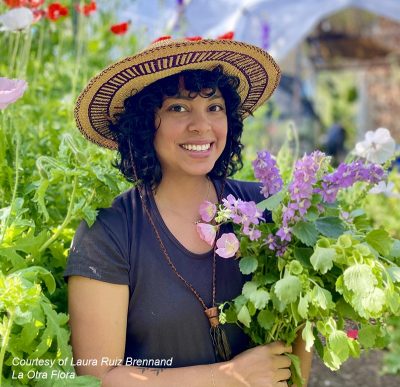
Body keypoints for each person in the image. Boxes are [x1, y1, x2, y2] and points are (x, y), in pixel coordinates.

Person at [64, 36, 312, 386]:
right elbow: (97, 376)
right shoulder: (109, 231)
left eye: (215, 108)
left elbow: (299, 343)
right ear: (143, 123)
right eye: (178, 108)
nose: (202, 125)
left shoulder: (267, 209)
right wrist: (228, 377)